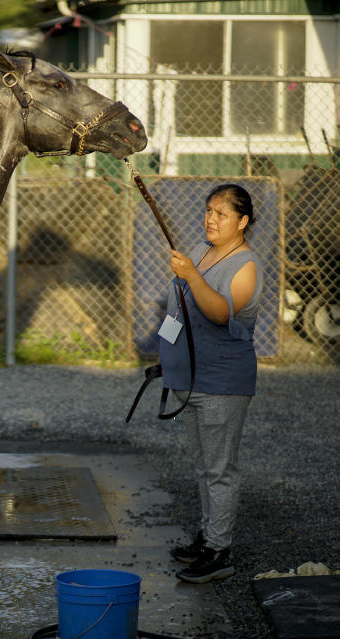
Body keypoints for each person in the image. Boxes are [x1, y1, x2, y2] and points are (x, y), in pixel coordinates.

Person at [160, 183, 263, 584]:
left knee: (220, 469)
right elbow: (181, 309)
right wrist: (164, 354)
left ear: (242, 222)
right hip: (190, 379)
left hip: (222, 382)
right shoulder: (204, 253)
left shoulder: (246, 264)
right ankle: (208, 537)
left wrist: (190, 274)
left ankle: (220, 552)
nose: (210, 218)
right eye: (208, 211)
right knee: (203, 466)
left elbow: (220, 312)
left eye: (221, 213)